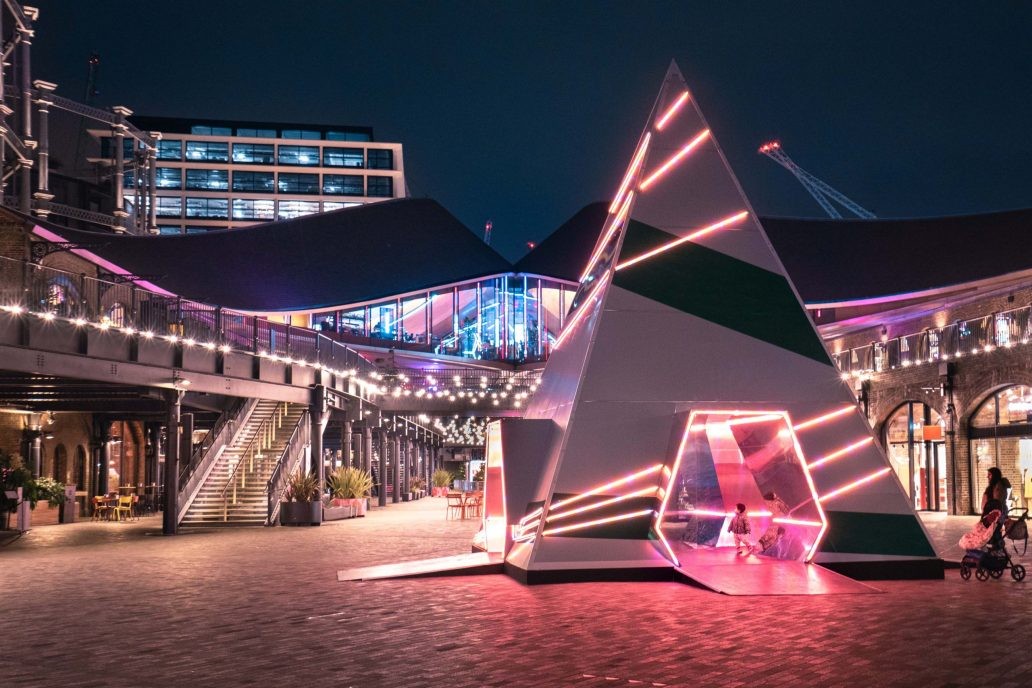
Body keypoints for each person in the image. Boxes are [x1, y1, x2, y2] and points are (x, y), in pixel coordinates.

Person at [758, 491, 790, 555]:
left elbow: (787, 511)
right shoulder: (773, 504)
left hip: (778, 524)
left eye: (767, 502)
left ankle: (767, 551)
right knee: (770, 539)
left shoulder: (778, 503)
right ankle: (764, 550)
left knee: (773, 540)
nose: (767, 503)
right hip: (774, 523)